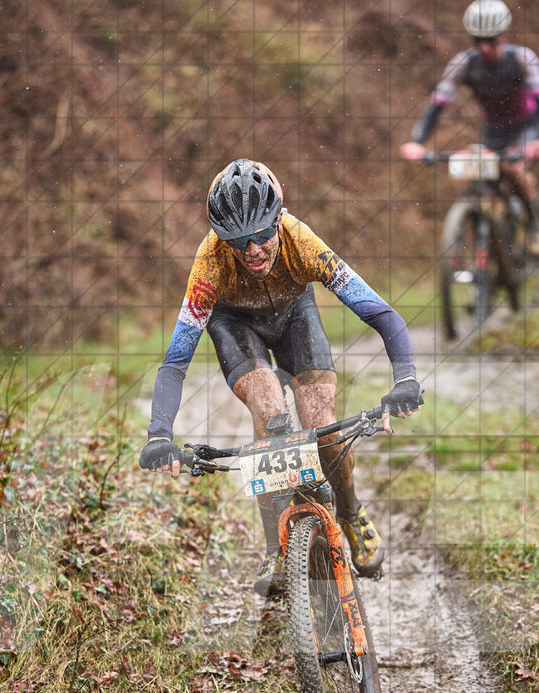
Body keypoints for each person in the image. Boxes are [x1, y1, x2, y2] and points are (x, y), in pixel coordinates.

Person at [139, 158, 424, 596]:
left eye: (261, 235)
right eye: (238, 241)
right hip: (236, 325)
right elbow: (175, 362)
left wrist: (405, 378)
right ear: (221, 238)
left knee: (321, 420)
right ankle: (276, 544)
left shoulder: (301, 241)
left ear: (279, 219)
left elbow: (382, 314)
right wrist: (159, 432)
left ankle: (349, 512)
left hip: (295, 314)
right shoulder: (210, 263)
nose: (253, 250)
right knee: (269, 408)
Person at [399, 0, 539, 255]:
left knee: (514, 168)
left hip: (527, 127)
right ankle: (490, 246)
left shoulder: (523, 58)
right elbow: (437, 105)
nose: (483, 47)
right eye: (476, 40)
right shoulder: (463, 64)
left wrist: (538, 139)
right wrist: (417, 141)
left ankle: (536, 227)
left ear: (504, 36)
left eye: (490, 40)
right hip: (494, 131)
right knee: (480, 179)